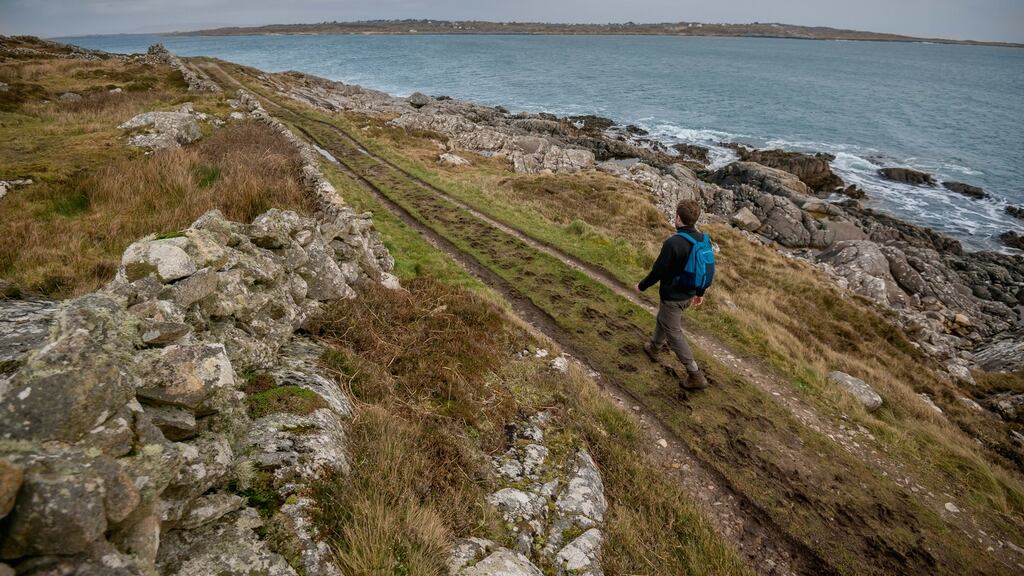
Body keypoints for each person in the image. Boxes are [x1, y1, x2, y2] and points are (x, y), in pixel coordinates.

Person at [636, 199, 710, 391]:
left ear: (678, 218)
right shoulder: (703, 239)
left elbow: (658, 271)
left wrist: (642, 286)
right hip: (690, 294)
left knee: (674, 333)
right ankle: (654, 346)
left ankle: (695, 374)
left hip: (673, 297)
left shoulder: (673, 243)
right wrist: (700, 293)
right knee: (664, 318)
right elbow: (707, 269)